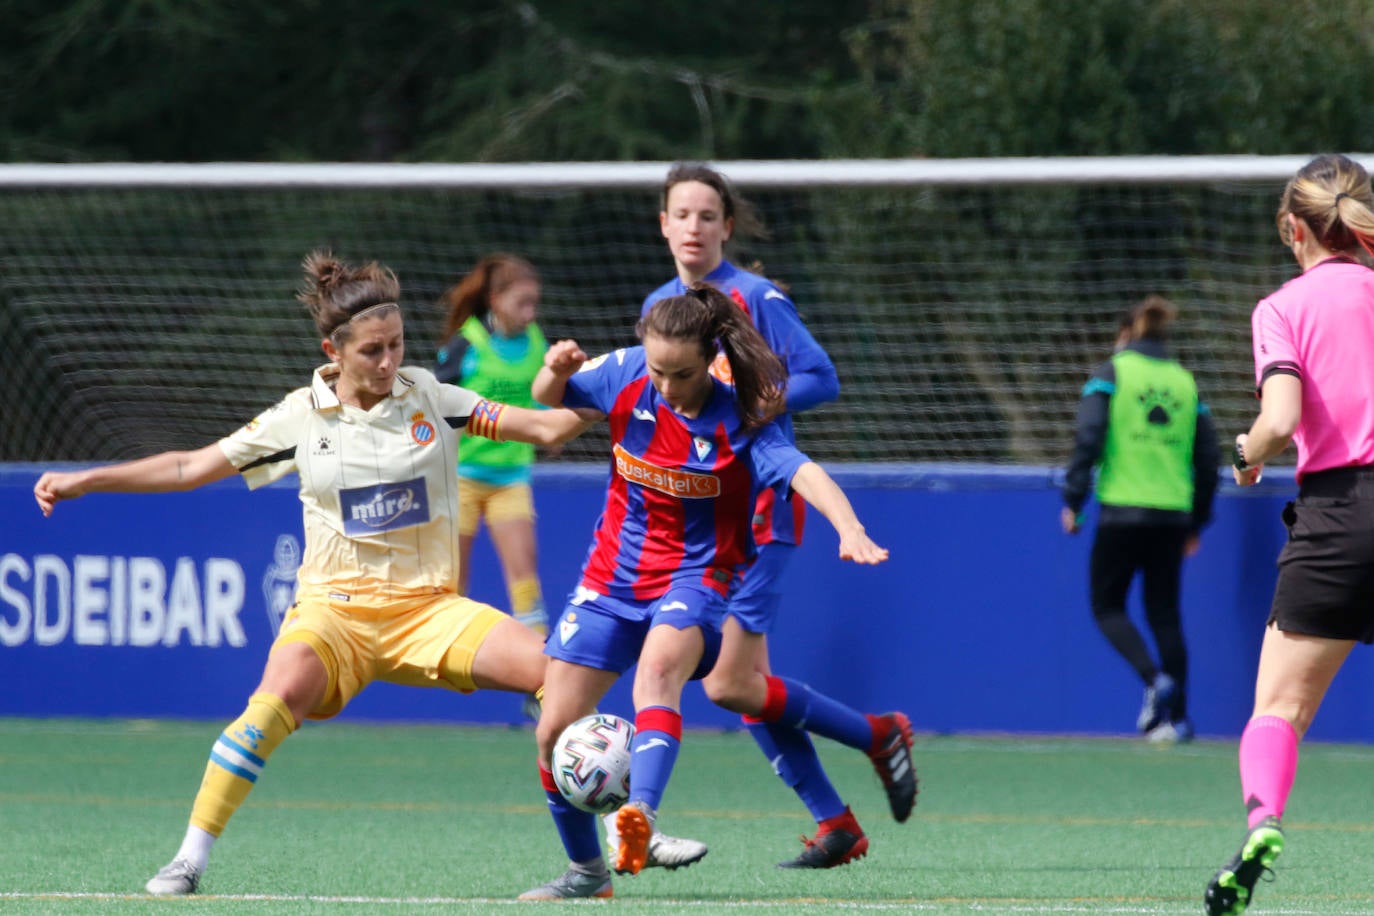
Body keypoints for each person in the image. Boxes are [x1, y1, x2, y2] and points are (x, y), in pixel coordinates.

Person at [32, 250, 592, 896]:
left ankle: (594, 863)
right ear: (334, 350)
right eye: (372, 351)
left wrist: (613, 386)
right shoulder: (298, 417)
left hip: (429, 611)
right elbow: (189, 467)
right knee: (270, 704)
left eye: (397, 344)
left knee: (558, 676)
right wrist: (88, 480)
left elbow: (545, 428)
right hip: (333, 612)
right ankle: (187, 860)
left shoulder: (432, 397)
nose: (388, 362)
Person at [518, 286, 892, 900]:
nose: (667, 386)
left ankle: (640, 815)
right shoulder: (625, 372)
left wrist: (849, 528)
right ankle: (587, 875)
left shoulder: (742, 414)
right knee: (552, 729)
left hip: (698, 574)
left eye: (683, 374)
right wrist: (555, 370)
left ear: (710, 359)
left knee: (658, 672)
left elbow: (802, 470)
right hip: (612, 576)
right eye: (658, 371)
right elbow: (547, 398)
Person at [629, 162, 916, 869]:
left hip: (760, 512)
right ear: (662, 224)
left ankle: (873, 742)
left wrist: (756, 406)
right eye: (681, 214)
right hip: (701, 522)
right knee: (739, 686)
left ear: (727, 225)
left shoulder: (757, 299)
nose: (694, 227)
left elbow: (822, 376)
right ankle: (840, 816)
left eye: (707, 215)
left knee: (730, 683)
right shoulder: (661, 306)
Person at [1204, 154, 1374, 916]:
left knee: (1278, 710)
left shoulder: (1282, 308)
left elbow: (1278, 421)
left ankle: (1263, 823)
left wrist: (1245, 453)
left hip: (1340, 515)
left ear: (1292, 228)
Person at [1061, 295, 1219, 744]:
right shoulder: (1185, 382)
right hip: (1172, 516)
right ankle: (1178, 720)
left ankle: (1154, 680)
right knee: (1165, 614)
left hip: (1121, 511)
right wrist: (1196, 522)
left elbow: (1089, 436)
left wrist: (1074, 500)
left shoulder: (1111, 374)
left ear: (1124, 333)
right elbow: (1209, 458)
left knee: (1107, 606)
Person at [435, 254, 550, 719]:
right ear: (496, 300)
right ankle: (451, 664)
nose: (530, 312)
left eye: (535, 303)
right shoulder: (467, 344)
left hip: (511, 480)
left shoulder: (539, 343)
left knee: (525, 580)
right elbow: (432, 403)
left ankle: (543, 683)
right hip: (461, 479)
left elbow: (546, 399)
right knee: (453, 584)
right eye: (522, 303)